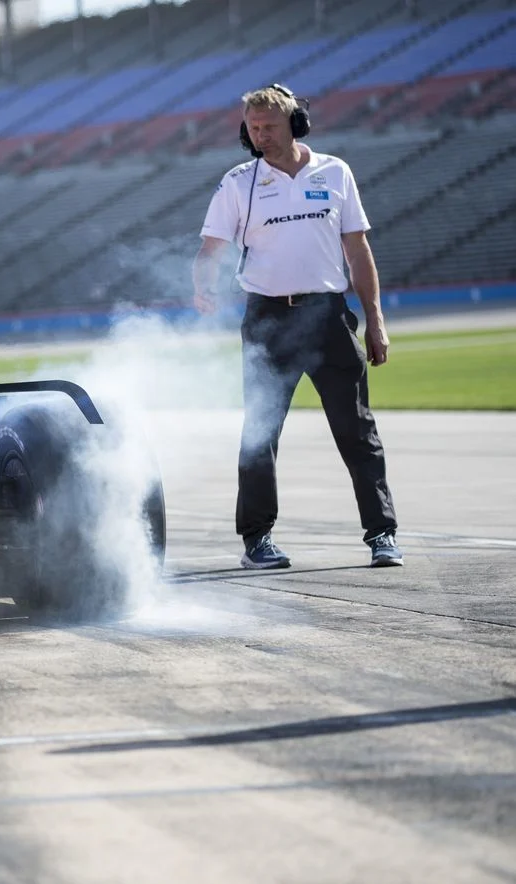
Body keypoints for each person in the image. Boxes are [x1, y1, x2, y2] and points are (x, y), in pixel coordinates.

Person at [191, 84, 402, 571]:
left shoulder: (335, 171)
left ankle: (382, 534)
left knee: (357, 432)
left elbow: (358, 251)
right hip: (268, 322)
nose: (259, 136)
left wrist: (376, 321)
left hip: (328, 316)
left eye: (268, 126)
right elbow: (211, 250)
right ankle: (257, 540)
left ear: (296, 124)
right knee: (259, 434)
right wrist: (204, 286)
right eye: (252, 128)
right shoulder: (237, 182)